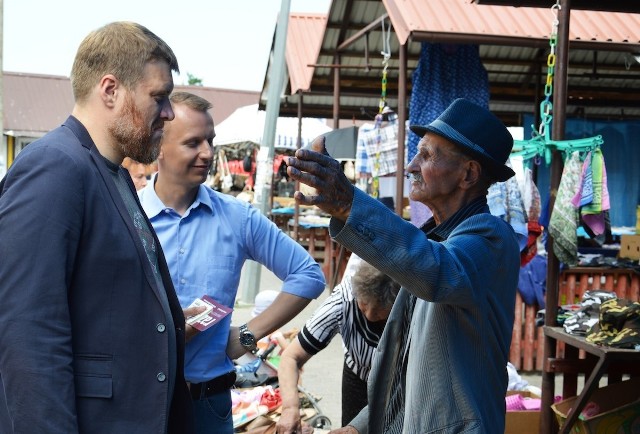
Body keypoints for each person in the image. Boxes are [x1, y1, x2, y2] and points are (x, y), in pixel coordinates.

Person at [0, 22, 195, 433]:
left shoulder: (115, 174)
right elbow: (28, 336)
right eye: (158, 97)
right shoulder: (54, 168)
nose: (169, 112)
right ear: (110, 90)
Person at [286, 98, 521, 433]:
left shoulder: (490, 238)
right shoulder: (437, 241)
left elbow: (438, 272)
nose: (411, 166)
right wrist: (358, 427)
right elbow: (408, 372)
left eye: (426, 155)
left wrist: (349, 202)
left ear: (468, 173)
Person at [137, 91, 326, 434]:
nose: (208, 153)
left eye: (210, 140)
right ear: (158, 147)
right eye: (193, 143)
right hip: (139, 403)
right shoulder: (127, 218)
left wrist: (247, 337)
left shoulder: (237, 218)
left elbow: (308, 275)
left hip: (208, 408)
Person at [276, 260, 400, 434]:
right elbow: (291, 357)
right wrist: (290, 407)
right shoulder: (342, 299)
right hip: (358, 375)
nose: (370, 315)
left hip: (400, 381)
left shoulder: (412, 305)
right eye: (364, 305)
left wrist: (357, 428)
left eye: (380, 311)